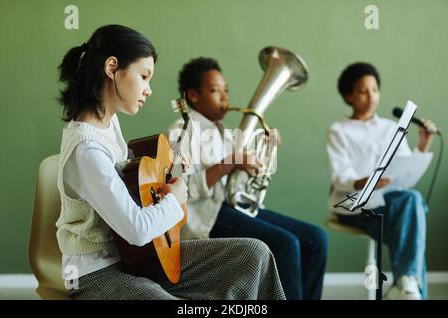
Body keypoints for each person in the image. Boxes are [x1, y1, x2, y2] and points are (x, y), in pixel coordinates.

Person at [55, 25, 285, 300]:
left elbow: (128, 184)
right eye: (144, 76)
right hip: (96, 273)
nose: (148, 89)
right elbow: (137, 229)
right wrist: (174, 199)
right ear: (112, 67)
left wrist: (171, 167)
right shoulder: (86, 149)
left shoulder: (108, 123)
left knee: (253, 254)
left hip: (136, 257)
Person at [167, 57, 328, 300]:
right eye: (214, 91)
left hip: (231, 208)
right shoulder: (181, 129)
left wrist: (265, 149)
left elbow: (239, 186)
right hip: (205, 217)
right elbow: (181, 187)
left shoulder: (224, 133)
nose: (224, 97)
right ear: (193, 95)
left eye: (226, 91)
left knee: (316, 239)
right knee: (285, 244)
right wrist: (232, 162)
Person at [326, 62, 436, 300]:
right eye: (363, 91)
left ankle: (405, 286)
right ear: (348, 96)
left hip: (390, 205)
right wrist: (367, 181)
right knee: (413, 224)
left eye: (375, 89)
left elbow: (407, 172)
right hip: (354, 207)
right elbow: (339, 177)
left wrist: (423, 144)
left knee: (412, 202)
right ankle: (407, 286)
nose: (371, 96)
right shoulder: (339, 130)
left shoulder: (390, 129)